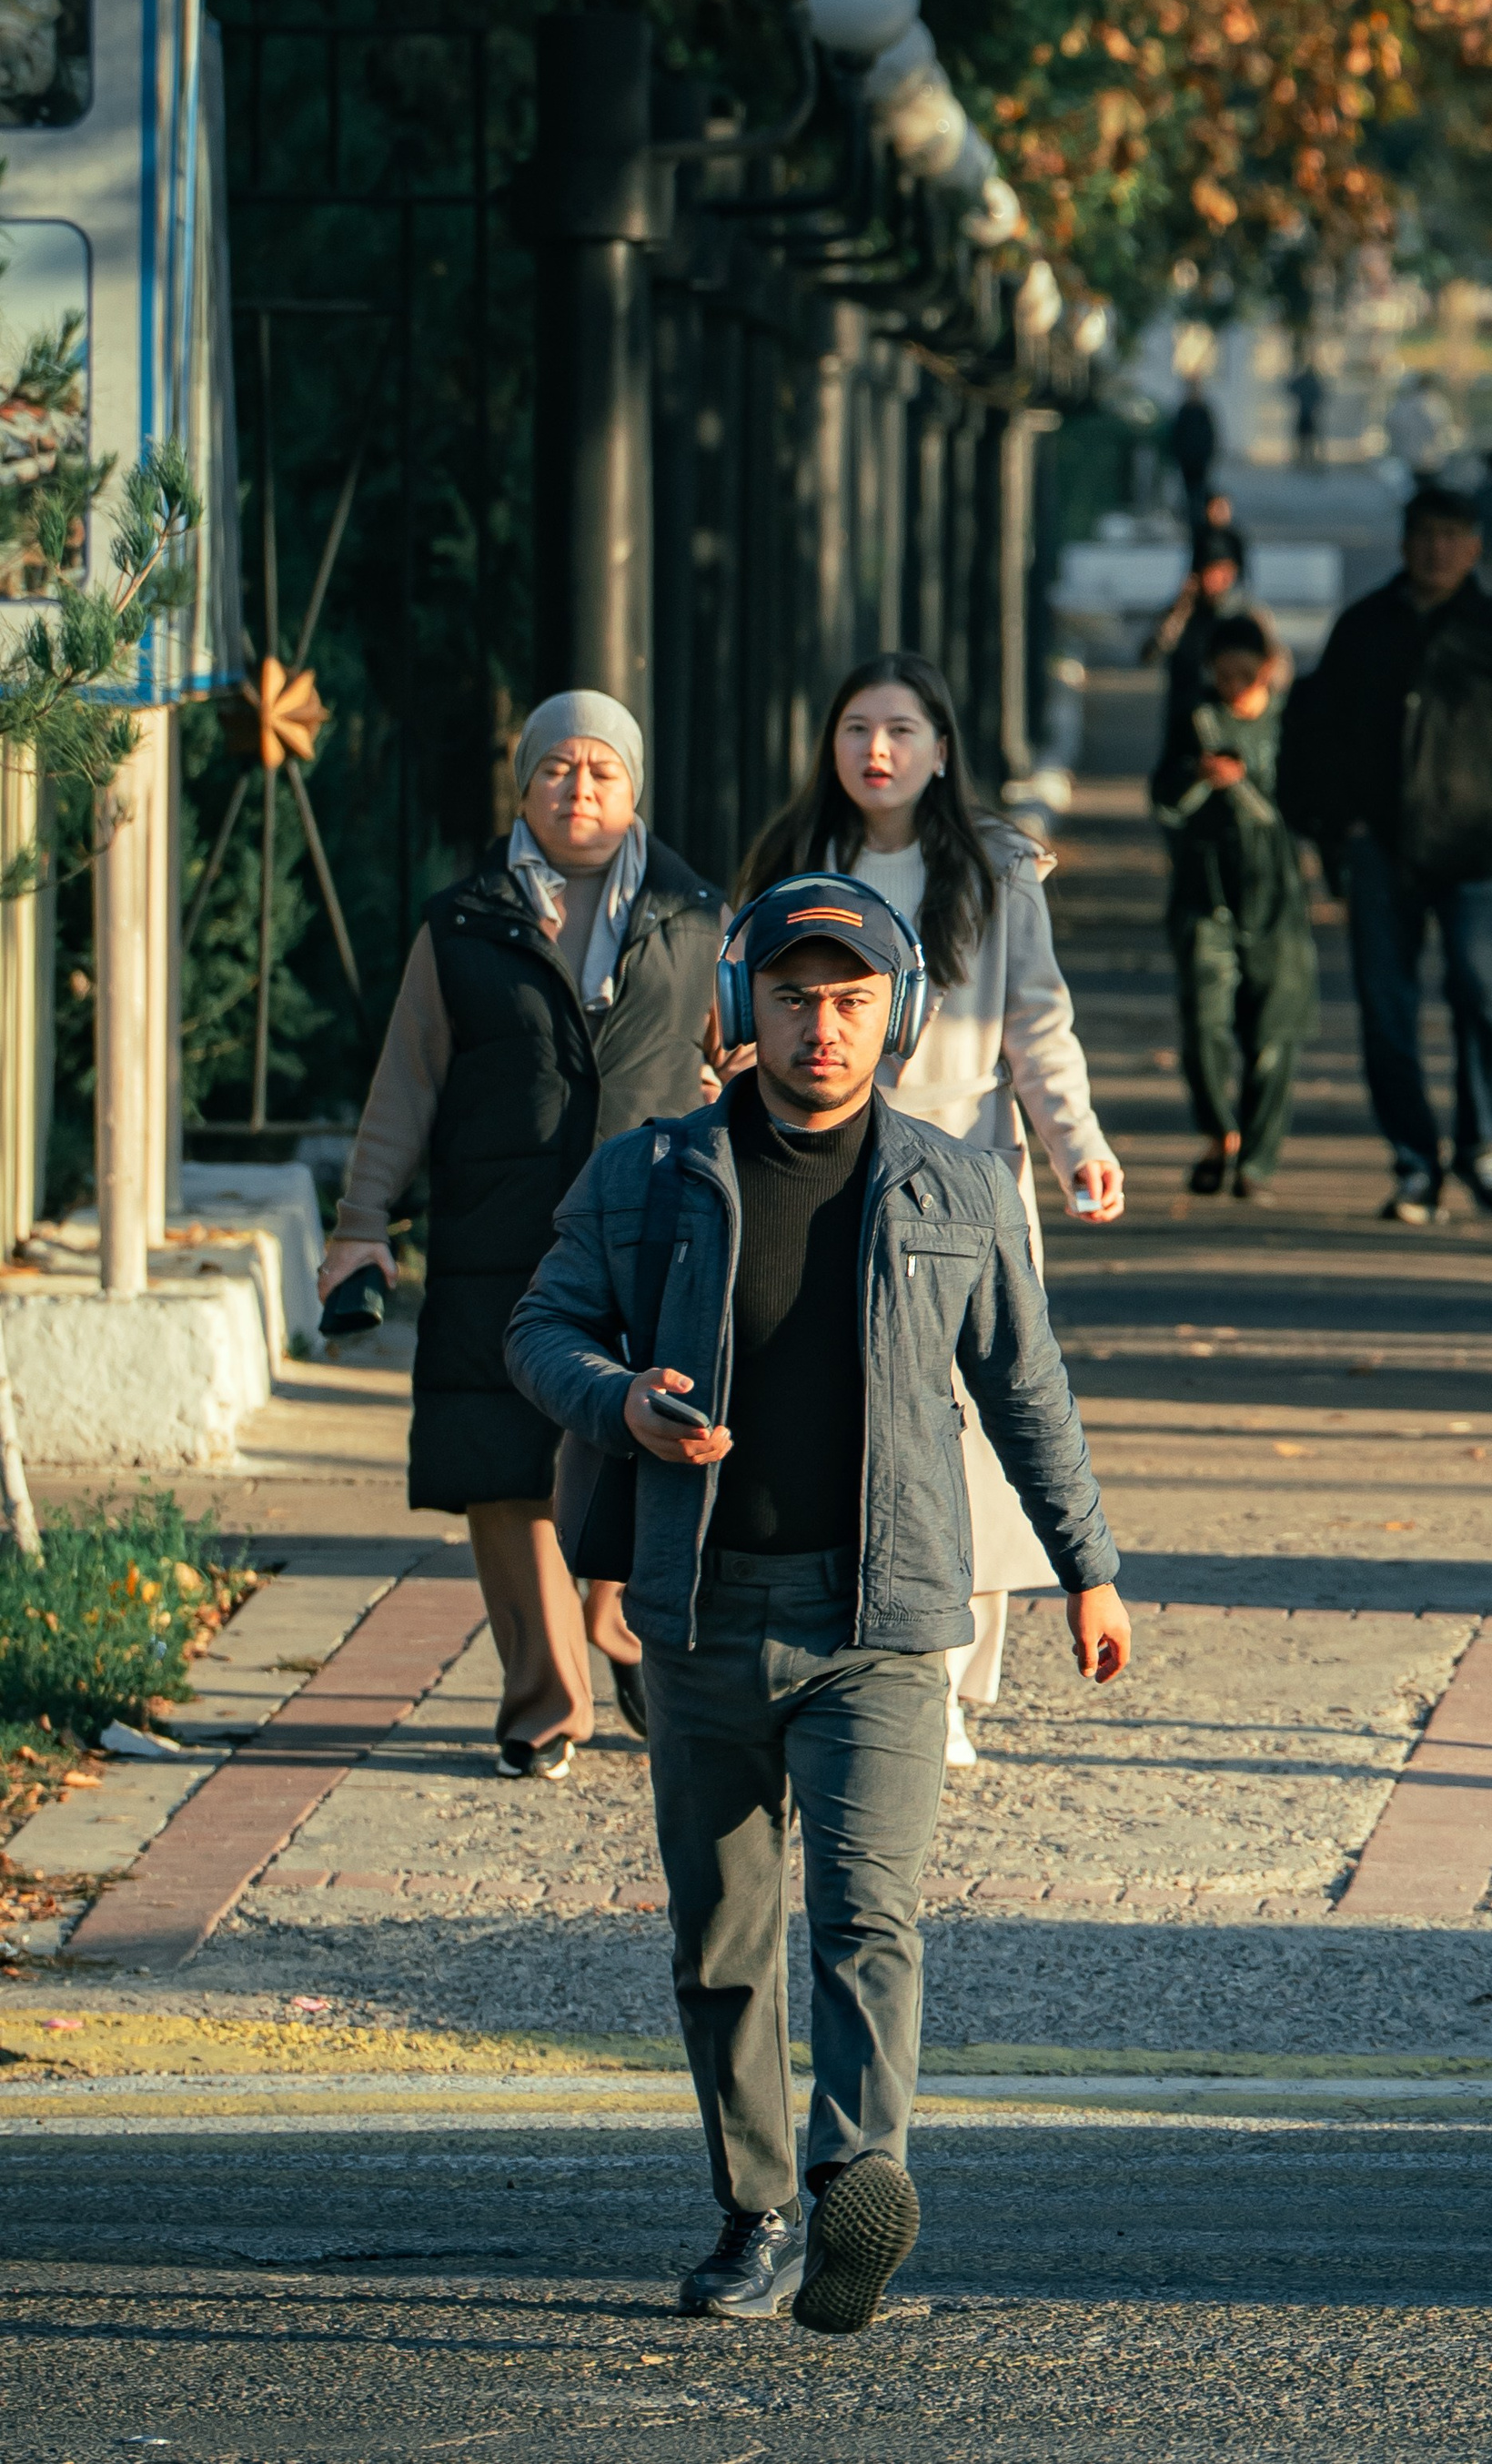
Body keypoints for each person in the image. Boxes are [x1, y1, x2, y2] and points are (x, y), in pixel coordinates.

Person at [505, 878, 1130, 2330]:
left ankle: (861, 2185)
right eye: (794, 998)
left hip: (884, 1623)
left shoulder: (954, 1189)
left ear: (894, 1019)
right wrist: (623, 1401)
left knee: (869, 1920)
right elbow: (539, 1326)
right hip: (702, 1615)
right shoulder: (651, 1175)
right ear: (744, 1011)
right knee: (721, 1942)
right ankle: (753, 2214)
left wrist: (1089, 1566)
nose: (821, 1029)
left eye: (851, 1002)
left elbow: (1025, 1390)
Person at [317, 692, 724, 1777]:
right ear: (524, 784)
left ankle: (618, 1627)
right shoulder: (463, 923)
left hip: (647, 1231)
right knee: (504, 1468)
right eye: (556, 769)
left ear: (635, 790)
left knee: (632, 1437)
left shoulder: (695, 919)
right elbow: (405, 1083)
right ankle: (544, 1699)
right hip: (497, 1233)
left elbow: (746, 1066)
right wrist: (361, 1224)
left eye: (601, 771)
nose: (577, 789)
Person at [738, 651, 1123, 1770]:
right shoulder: (792, 862)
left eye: (901, 730)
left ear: (941, 749)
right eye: (857, 727)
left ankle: (943, 1676)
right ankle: (870, 1666)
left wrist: (1077, 1149)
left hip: (961, 1168)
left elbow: (1037, 1024)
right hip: (821, 1166)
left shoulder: (995, 871)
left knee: (973, 1420)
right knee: (853, 1411)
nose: (878, 751)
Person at [1282, 482, 1492, 1225]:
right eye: (1425, 535)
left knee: (1482, 999)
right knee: (1387, 1013)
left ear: (1474, 546)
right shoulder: (1363, 630)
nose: (1437, 549)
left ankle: (1480, 1146)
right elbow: (1313, 733)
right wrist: (1325, 829)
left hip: (1475, 852)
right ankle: (1416, 1162)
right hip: (1380, 851)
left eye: (1452, 536)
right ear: (1405, 542)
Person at [1151, 612, 1316, 1204]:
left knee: (1275, 1037)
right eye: (1224, 676)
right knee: (1203, 1026)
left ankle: (1258, 1163)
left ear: (1268, 669)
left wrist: (1250, 784)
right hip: (1206, 894)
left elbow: (1310, 803)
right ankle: (1220, 1132)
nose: (1234, 686)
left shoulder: (1292, 722)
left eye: (1246, 675)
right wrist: (1198, 775)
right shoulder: (1196, 720)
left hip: (1278, 900)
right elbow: (1163, 798)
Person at [1141, 510, 1288, 757]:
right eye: (1211, 572)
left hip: (1238, 728)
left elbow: (1278, 670)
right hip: (1187, 723)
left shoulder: (1249, 615)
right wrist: (1179, 610)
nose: (1219, 581)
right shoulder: (1183, 613)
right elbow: (1149, 655)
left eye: (1226, 573)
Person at [1167, 376, 1218, 537]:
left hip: (1199, 460)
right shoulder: (1184, 411)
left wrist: (1207, 455)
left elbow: (1210, 437)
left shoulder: (1203, 411)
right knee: (1190, 492)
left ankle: (1200, 521)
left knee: (1199, 491)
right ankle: (1192, 521)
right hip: (1187, 460)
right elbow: (1177, 436)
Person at [1288, 358, 1326, 470]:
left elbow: (1291, 388)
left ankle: (1303, 460)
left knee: (1303, 439)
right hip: (1310, 413)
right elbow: (1321, 395)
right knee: (1310, 438)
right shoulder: (1314, 382)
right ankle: (1309, 460)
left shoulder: (1304, 382)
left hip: (1305, 413)